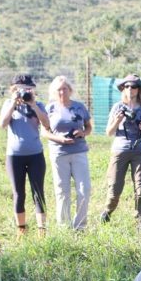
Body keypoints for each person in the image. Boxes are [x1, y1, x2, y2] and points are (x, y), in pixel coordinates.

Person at [0, 74, 49, 236]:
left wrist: (33, 105)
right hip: (14, 156)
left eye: (28, 89)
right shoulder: (8, 104)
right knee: (18, 193)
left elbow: (47, 124)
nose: (24, 92)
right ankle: (22, 230)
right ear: (13, 90)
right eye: (21, 89)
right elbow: (2, 124)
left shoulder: (39, 104)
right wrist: (14, 103)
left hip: (35, 154)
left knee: (38, 192)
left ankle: (42, 231)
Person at [43, 76, 92, 230]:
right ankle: (64, 226)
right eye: (59, 89)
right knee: (62, 190)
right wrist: (60, 139)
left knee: (84, 189)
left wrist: (82, 133)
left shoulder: (79, 107)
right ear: (54, 91)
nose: (62, 92)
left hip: (79, 152)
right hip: (59, 153)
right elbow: (44, 132)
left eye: (65, 88)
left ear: (70, 90)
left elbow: (89, 127)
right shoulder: (49, 108)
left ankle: (80, 226)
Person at [102, 74, 141, 226]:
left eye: (133, 86)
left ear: (139, 90)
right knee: (115, 188)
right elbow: (109, 132)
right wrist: (117, 120)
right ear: (123, 89)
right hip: (120, 149)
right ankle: (107, 211)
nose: (130, 89)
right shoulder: (117, 107)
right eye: (127, 86)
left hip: (139, 150)